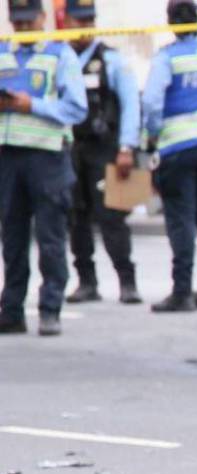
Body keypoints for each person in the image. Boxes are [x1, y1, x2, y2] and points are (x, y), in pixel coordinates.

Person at [0, 0, 88, 337]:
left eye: (28, 23)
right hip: (9, 156)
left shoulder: (59, 55)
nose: (23, 30)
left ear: (42, 18)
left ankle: (50, 309)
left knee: (51, 237)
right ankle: (12, 311)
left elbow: (76, 107)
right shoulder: (3, 53)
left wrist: (31, 104)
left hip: (47, 157)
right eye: (17, 24)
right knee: (12, 238)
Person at [142, 0, 197, 312]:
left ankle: (182, 292)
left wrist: (152, 134)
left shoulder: (167, 56)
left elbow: (153, 101)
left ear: (171, 22)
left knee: (181, 219)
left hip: (180, 144)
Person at [63, 0, 143, 305]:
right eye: (77, 21)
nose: (82, 28)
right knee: (76, 216)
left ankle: (127, 281)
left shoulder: (111, 59)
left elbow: (130, 105)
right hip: (73, 149)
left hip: (105, 148)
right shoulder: (62, 58)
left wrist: (127, 147)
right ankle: (86, 281)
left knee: (112, 216)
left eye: (88, 22)